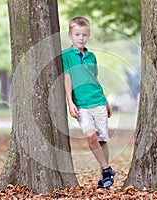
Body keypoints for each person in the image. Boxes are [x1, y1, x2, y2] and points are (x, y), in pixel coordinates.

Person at [62, 16, 115, 189]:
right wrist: (70, 102)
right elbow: (67, 79)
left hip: (98, 101)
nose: (81, 38)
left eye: (84, 35)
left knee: (102, 140)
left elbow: (94, 78)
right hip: (82, 105)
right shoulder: (67, 56)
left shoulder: (91, 56)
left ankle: (105, 177)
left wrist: (106, 100)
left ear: (88, 35)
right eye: (77, 34)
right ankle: (106, 169)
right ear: (70, 35)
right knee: (90, 136)